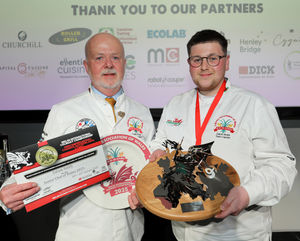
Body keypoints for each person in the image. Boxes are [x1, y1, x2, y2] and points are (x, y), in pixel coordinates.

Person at [129, 29, 297, 240]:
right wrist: (158, 151)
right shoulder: (175, 104)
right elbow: (160, 142)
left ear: (226, 62)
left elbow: (281, 167)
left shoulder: (254, 105)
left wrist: (247, 193)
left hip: (238, 232)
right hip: (184, 231)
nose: (205, 66)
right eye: (197, 60)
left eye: (213, 58)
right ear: (189, 64)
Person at [0, 32, 155, 241]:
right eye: (99, 58)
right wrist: (7, 190)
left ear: (124, 64)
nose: (108, 64)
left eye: (115, 57)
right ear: (86, 66)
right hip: (80, 231)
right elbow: (42, 161)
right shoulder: (64, 111)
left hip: (131, 231)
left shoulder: (142, 112)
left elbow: (151, 170)